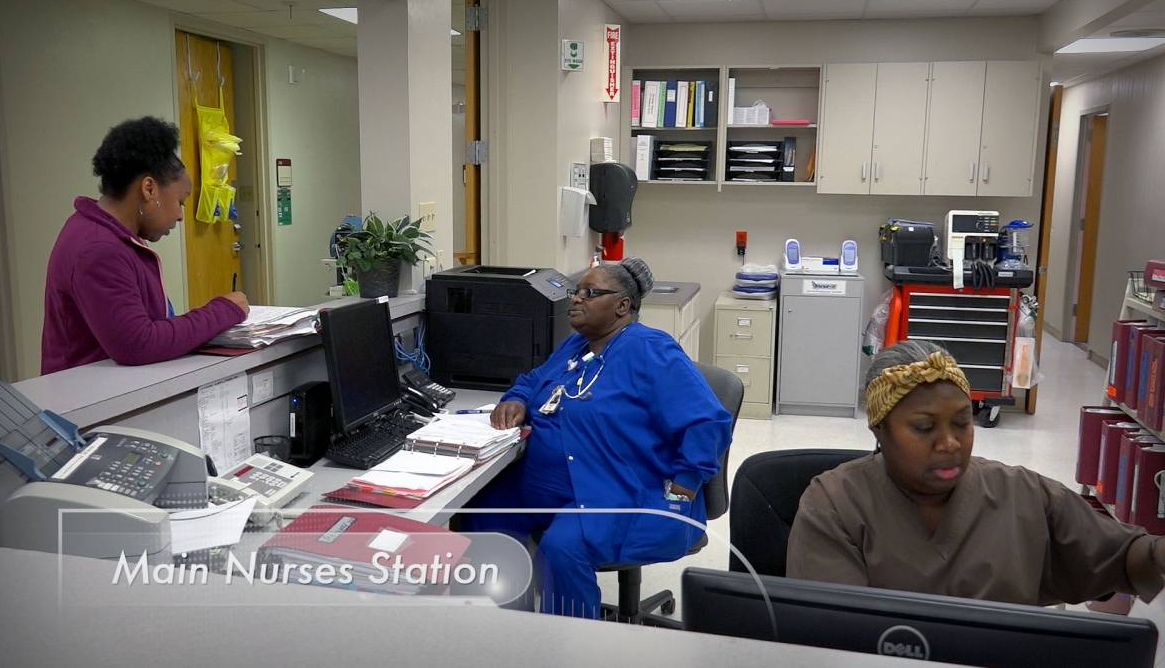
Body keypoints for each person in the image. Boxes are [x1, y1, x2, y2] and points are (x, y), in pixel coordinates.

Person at [787, 339, 1165, 605]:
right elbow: (831, 634)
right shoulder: (834, 506)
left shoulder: (1023, 494)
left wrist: (1157, 554)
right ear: (879, 429)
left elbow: (1122, 556)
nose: (949, 443)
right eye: (924, 427)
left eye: (962, 423)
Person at [463, 258, 732, 619]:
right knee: (478, 515)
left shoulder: (650, 349)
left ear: (622, 306)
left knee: (562, 548)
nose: (576, 299)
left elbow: (707, 423)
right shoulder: (577, 346)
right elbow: (533, 380)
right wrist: (515, 399)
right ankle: (506, 630)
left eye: (590, 293)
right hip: (553, 487)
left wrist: (680, 489)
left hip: (622, 491)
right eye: (577, 292)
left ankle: (573, 646)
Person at [41, 117, 249, 374]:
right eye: (180, 202)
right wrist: (223, 310)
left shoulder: (109, 236)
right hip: (89, 403)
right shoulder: (98, 248)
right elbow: (138, 343)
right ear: (149, 189)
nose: (180, 216)